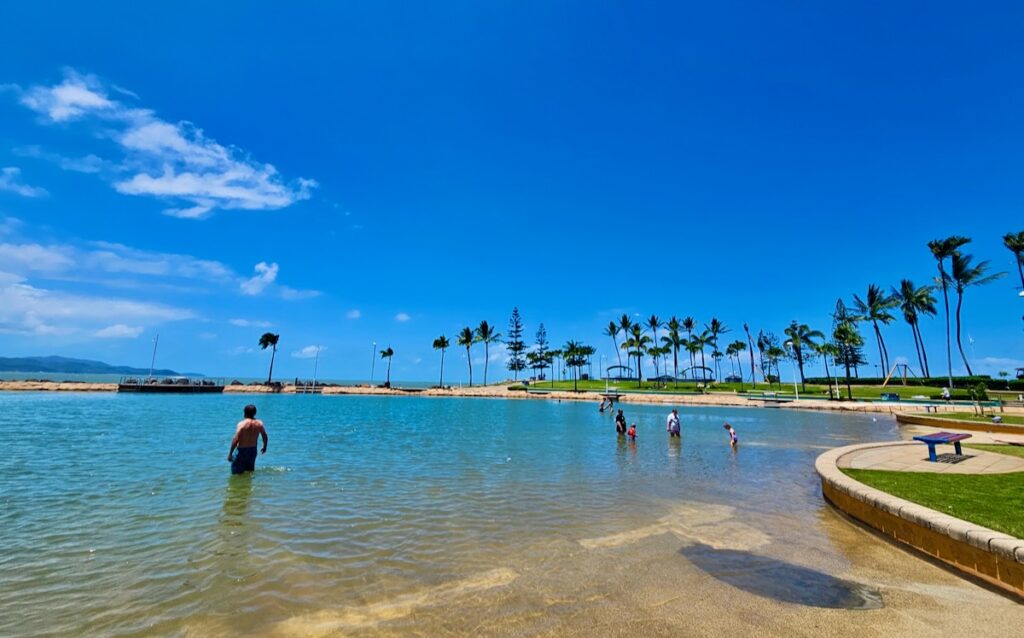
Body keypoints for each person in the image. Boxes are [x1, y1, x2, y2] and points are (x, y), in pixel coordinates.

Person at [228, 404, 268, 474]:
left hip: (241, 450)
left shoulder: (241, 424)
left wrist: (230, 453)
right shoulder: (259, 424)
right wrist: (264, 447)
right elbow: (264, 436)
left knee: (236, 473)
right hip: (253, 450)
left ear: (244, 413)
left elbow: (236, 439)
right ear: (255, 413)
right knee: (249, 472)